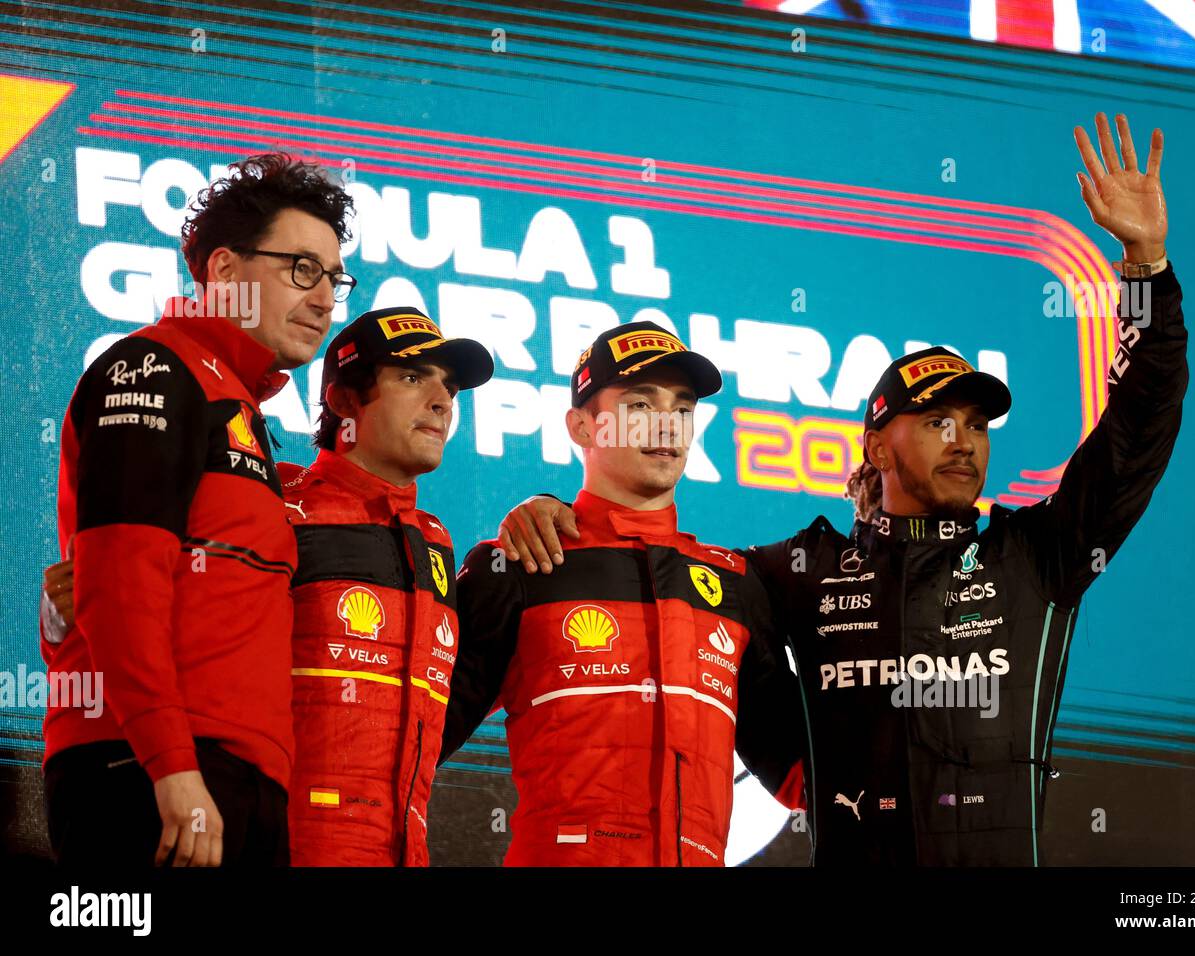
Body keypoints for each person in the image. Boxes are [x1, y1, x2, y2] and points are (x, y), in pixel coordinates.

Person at [494, 112, 1187, 865]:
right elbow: (650, 560)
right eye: (937, 422)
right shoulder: (800, 572)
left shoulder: (1039, 557)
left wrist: (1145, 265)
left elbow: (1140, 424)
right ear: (878, 444)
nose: (965, 442)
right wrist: (555, 510)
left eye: (977, 426)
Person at [41, 152, 353, 866]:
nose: (326, 299)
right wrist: (171, 767)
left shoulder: (238, 408)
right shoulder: (153, 368)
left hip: (235, 779)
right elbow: (119, 581)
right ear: (223, 271)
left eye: (334, 278)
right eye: (301, 269)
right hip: (148, 771)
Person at [441, 322, 804, 866]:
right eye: (639, 405)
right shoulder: (524, 563)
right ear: (581, 427)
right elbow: (411, 732)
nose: (666, 425)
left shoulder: (737, 585)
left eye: (682, 409)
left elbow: (811, 776)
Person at [278, 306, 492, 865]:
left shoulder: (435, 542)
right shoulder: (276, 508)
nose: (443, 401)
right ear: (345, 400)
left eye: (449, 387)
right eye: (413, 378)